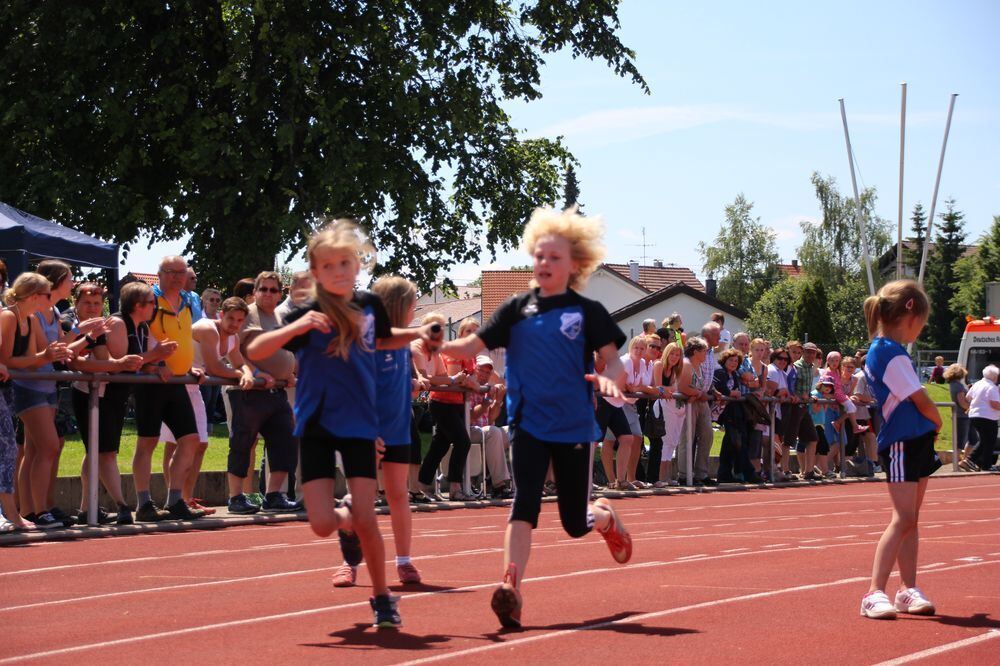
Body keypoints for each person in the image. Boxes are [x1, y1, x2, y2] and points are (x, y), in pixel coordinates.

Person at [438, 206, 633, 629]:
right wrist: (441, 346)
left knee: (573, 523)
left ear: (574, 265)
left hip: (574, 426)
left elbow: (614, 362)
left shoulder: (586, 311)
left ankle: (604, 517)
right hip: (527, 423)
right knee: (522, 503)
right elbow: (474, 345)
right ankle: (511, 587)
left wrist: (608, 380)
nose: (544, 264)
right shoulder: (515, 308)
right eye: (539, 256)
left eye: (554, 258)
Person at [246, 218, 441, 629]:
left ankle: (382, 597)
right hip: (316, 423)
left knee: (370, 518)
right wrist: (296, 327)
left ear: (359, 266)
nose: (337, 272)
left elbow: (382, 339)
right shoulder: (306, 311)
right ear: (316, 272)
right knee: (320, 524)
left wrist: (418, 333)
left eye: (345, 263)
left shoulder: (369, 306)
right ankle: (345, 518)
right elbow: (257, 349)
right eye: (328, 266)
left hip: (359, 424)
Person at [334, 276, 430, 589]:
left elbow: (393, 378)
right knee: (360, 500)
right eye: (413, 303)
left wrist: (411, 385)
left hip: (398, 427)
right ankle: (349, 561)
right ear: (398, 305)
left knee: (398, 494)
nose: (416, 309)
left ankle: (404, 561)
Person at [860, 279, 942, 620]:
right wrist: (937, 420)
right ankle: (873, 592)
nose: (921, 330)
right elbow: (920, 398)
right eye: (922, 323)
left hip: (915, 440)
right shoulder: (886, 352)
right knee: (904, 517)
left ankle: (907, 588)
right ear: (911, 317)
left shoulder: (894, 351)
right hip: (901, 443)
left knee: (912, 520)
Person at [4, 270, 78, 529]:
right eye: (48, 294)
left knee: (32, 449)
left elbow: (36, 358)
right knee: (43, 447)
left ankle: (30, 511)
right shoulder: (9, 317)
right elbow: (9, 361)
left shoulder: (31, 318)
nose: (52, 298)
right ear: (36, 295)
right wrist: (45, 356)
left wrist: (52, 353)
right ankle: (32, 511)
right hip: (23, 389)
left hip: (32, 386)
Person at [134, 256, 206, 522]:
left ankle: (175, 500)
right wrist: (155, 363)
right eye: (171, 272)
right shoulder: (148, 298)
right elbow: (137, 333)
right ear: (160, 274)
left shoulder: (188, 301)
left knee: (190, 440)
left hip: (178, 381)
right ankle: (143, 504)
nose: (177, 277)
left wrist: (190, 368)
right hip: (151, 382)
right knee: (147, 442)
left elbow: (184, 338)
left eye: (181, 272)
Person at [66, 283, 144, 524]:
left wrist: (118, 364)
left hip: (108, 394)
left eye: (97, 304)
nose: (92, 308)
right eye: (87, 303)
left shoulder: (103, 325)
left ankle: (86, 508)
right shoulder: (69, 324)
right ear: (76, 303)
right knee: (102, 452)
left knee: (96, 452)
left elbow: (103, 360)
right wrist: (118, 364)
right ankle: (121, 505)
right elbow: (75, 362)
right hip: (86, 393)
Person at [416, 317, 478, 501]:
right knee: (462, 442)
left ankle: (422, 485)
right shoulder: (454, 351)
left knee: (439, 445)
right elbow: (454, 377)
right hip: (442, 403)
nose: (472, 335)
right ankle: (455, 487)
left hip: (458, 404)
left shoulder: (472, 354)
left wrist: (469, 382)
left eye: (476, 332)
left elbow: (469, 380)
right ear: (460, 334)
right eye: (468, 331)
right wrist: (468, 382)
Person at [677, 324, 719, 486]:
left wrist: (705, 393)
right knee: (687, 437)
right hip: (688, 404)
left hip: (701, 403)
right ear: (695, 351)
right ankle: (684, 474)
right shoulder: (686, 364)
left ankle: (702, 472)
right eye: (703, 351)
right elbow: (683, 387)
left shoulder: (700, 365)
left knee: (707, 435)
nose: (706, 354)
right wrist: (698, 393)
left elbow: (702, 386)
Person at [470, 354, 512, 498]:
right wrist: (488, 400)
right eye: (481, 370)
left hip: (486, 431)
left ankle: (529, 483)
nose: (485, 374)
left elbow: (490, 419)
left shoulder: (487, 388)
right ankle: (500, 485)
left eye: (488, 372)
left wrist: (498, 400)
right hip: (469, 431)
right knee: (493, 432)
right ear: (474, 369)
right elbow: (471, 416)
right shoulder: (469, 386)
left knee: (520, 430)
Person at [650, 341, 685, 487]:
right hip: (660, 406)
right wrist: (670, 389)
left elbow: (675, 388)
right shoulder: (659, 365)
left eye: (677, 355)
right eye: (672, 353)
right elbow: (658, 387)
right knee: (664, 440)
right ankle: (660, 476)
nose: (674, 357)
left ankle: (667, 476)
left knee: (673, 441)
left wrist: (670, 389)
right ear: (666, 353)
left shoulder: (675, 370)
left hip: (673, 406)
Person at [785, 341, 820, 479]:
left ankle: (809, 471)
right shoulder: (797, 366)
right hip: (794, 407)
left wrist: (811, 397)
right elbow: (791, 386)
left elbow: (805, 388)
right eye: (808, 352)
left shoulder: (811, 367)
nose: (811, 354)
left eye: (813, 352)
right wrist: (800, 396)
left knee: (812, 438)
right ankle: (786, 469)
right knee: (789, 439)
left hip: (804, 406)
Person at [713, 348, 746, 483]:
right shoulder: (720, 372)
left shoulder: (735, 375)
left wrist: (733, 393)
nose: (733, 363)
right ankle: (723, 473)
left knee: (734, 441)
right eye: (731, 360)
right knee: (730, 441)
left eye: (736, 361)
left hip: (733, 411)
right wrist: (731, 393)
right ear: (724, 360)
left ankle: (729, 472)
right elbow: (722, 389)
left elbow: (737, 391)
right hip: (722, 411)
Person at [946, 364, 980, 471]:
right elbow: (962, 402)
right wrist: (971, 407)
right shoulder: (959, 386)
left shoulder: (953, 384)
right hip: (962, 417)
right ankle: (956, 465)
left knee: (973, 439)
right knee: (961, 442)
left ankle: (965, 462)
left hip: (964, 416)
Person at [766, 347, 794, 480]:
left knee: (777, 441)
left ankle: (774, 469)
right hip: (770, 412)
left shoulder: (782, 373)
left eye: (785, 359)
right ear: (773, 358)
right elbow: (768, 390)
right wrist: (780, 392)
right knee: (774, 442)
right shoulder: (772, 370)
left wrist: (786, 393)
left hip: (778, 412)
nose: (783, 361)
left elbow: (784, 392)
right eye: (780, 358)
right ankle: (772, 471)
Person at [966, 364, 1000, 472]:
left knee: (984, 440)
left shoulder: (977, 384)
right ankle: (981, 463)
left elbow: (968, 397)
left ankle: (974, 462)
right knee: (989, 441)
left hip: (975, 415)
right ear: (994, 376)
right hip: (988, 417)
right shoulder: (992, 387)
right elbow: (995, 404)